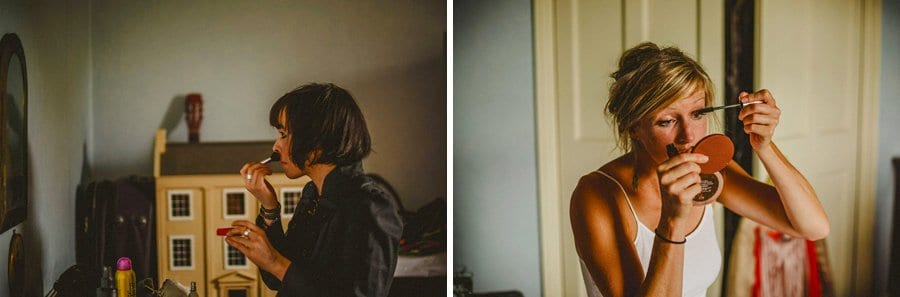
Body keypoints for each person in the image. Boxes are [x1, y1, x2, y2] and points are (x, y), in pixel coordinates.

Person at [570, 42, 830, 297]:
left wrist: (764, 147)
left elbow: (813, 227)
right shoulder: (596, 195)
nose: (688, 136)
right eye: (667, 121)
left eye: (697, 114)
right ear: (634, 127)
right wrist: (673, 222)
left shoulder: (710, 169)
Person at [225, 83, 403, 296]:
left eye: (283, 134)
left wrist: (274, 262)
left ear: (316, 139)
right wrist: (269, 206)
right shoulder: (313, 193)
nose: (275, 146)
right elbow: (276, 279)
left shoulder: (371, 206)